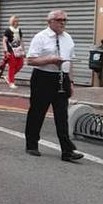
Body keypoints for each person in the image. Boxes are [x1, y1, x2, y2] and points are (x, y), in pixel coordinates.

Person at [24, 10, 84, 162]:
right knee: (37, 112)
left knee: (62, 115)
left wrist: (70, 82)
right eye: (59, 20)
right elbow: (30, 60)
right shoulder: (40, 37)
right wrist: (49, 60)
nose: (63, 22)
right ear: (49, 21)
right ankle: (32, 144)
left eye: (65, 20)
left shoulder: (68, 38)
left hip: (61, 78)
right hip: (43, 78)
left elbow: (70, 62)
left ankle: (67, 150)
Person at [3, 15, 25, 89]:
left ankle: (8, 77)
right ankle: (11, 82)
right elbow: (4, 41)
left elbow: (21, 40)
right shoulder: (8, 30)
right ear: (11, 22)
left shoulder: (19, 30)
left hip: (18, 50)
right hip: (11, 50)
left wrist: (23, 50)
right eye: (14, 21)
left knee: (20, 65)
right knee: (12, 66)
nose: (16, 22)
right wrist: (6, 51)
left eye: (17, 21)